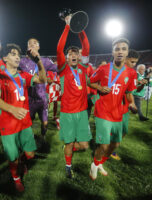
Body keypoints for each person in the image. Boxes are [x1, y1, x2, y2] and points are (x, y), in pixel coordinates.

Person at [0, 43, 46, 192]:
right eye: (13, 54)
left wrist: (38, 61)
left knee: (30, 154)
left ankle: (22, 163)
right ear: (5, 58)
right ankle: (16, 179)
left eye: (18, 54)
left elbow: (42, 79)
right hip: (8, 124)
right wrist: (12, 109)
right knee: (13, 158)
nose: (17, 57)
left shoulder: (23, 75)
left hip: (24, 121)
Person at [89, 38, 137, 180]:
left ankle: (98, 163)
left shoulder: (130, 73)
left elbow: (128, 94)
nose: (120, 51)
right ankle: (94, 165)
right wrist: (99, 87)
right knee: (103, 146)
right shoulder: (103, 69)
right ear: (112, 52)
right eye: (117, 49)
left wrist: (132, 104)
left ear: (127, 52)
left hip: (117, 113)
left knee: (115, 144)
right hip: (103, 111)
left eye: (123, 49)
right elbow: (90, 81)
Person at [57, 15, 92, 179]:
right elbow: (59, 48)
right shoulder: (63, 68)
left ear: (80, 57)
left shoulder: (84, 68)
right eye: (70, 53)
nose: (73, 55)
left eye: (76, 53)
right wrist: (67, 26)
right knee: (70, 143)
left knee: (84, 145)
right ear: (66, 56)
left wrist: (78, 28)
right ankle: (68, 165)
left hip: (82, 113)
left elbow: (86, 45)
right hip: (67, 113)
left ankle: (67, 148)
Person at [19, 38, 57, 140]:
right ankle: (29, 138)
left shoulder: (45, 61)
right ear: (27, 48)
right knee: (28, 123)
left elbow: (58, 69)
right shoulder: (22, 62)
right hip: (29, 99)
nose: (32, 45)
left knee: (45, 123)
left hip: (42, 99)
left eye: (35, 43)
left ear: (38, 47)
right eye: (29, 44)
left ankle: (43, 136)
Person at [111, 49, 139, 161]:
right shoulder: (113, 70)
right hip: (114, 107)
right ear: (125, 58)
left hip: (125, 108)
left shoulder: (132, 74)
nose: (134, 64)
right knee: (113, 131)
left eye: (135, 62)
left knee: (124, 131)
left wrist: (132, 103)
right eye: (132, 62)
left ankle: (110, 148)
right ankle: (108, 150)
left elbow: (130, 92)